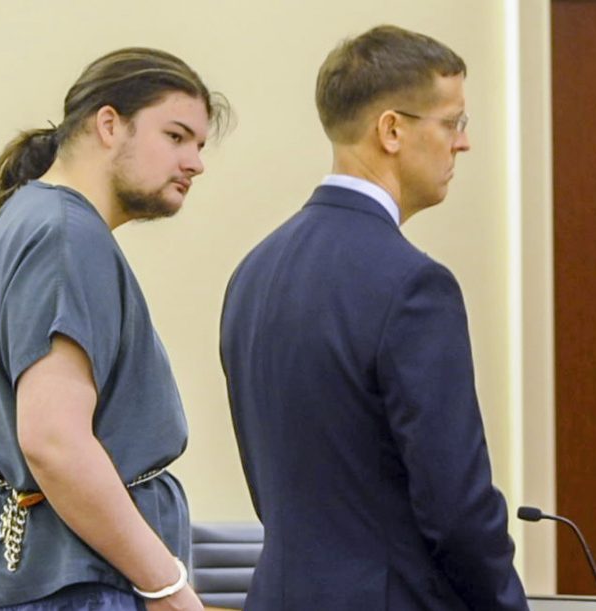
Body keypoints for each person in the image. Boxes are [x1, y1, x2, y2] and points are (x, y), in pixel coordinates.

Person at [220, 25, 529, 611]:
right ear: (391, 130)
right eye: (452, 122)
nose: (463, 143)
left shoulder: (253, 273)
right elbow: (458, 510)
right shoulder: (415, 285)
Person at [0, 47, 228, 611]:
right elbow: (55, 442)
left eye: (200, 146)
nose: (195, 163)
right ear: (109, 125)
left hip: (33, 571)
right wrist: (166, 586)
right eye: (176, 136)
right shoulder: (66, 235)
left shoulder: (24, 219)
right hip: (74, 582)